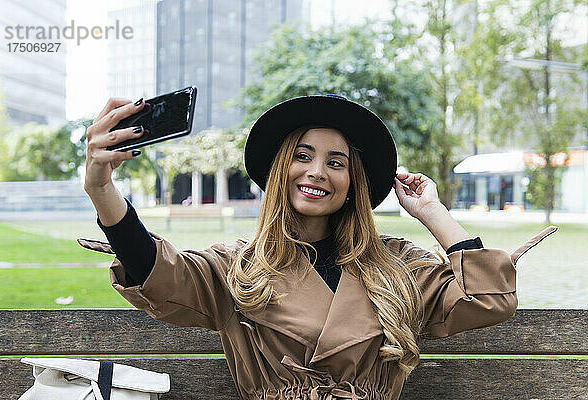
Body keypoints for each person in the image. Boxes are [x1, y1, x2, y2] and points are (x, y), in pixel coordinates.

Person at [79, 94, 557, 399]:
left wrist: (432, 211)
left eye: (336, 162)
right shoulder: (238, 268)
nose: (316, 172)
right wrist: (102, 190)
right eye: (302, 156)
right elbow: (158, 273)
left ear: (355, 182)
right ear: (280, 169)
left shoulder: (399, 267)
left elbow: (489, 300)